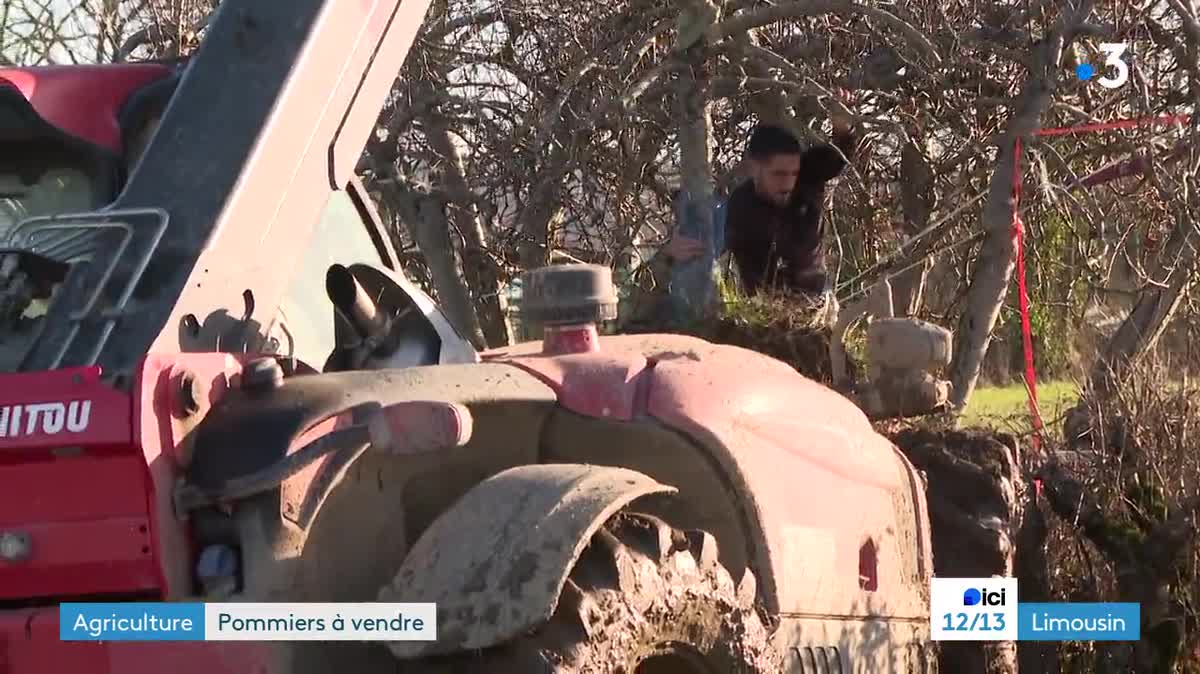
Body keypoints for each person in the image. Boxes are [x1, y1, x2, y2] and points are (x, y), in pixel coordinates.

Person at [662, 118, 858, 296]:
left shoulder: (808, 175)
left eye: (794, 173)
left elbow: (840, 155)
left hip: (818, 302)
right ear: (754, 168)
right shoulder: (739, 207)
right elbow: (698, 246)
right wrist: (670, 254)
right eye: (779, 174)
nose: (788, 183)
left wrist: (842, 123)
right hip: (764, 314)